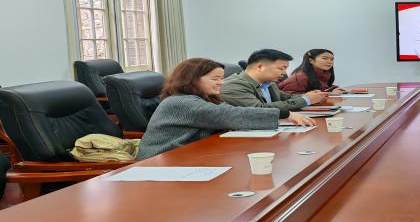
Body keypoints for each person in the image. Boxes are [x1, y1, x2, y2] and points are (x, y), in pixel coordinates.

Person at [137, 58, 314, 159]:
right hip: (162, 161)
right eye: (215, 79)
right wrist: (284, 114)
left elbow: (228, 111)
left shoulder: (205, 99)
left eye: (222, 78)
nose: (221, 83)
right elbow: (229, 114)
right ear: (192, 80)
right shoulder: (181, 102)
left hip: (190, 155)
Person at [222, 49, 329, 111]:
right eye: (281, 68)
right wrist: (305, 100)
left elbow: (286, 97)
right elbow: (260, 110)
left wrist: (310, 96)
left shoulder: (268, 83)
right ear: (260, 67)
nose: (284, 73)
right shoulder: (234, 85)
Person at [279, 49, 344, 94]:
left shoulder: (324, 74)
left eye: (332, 59)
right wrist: (328, 93)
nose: (330, 62)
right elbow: (290, 96)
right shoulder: (300, 77)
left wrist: (332, 89)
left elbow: (317, 88)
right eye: (325, 58)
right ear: (311, 60)